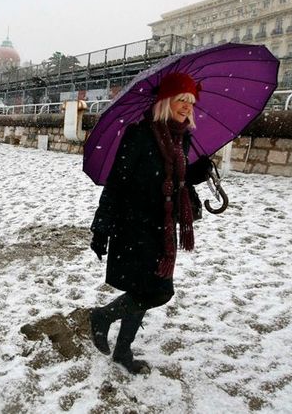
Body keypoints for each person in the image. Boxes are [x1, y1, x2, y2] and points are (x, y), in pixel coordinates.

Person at [88, 72, 211, 375]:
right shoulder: (139, 135)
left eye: (190, 101)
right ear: (166, 101)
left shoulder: (184, 137)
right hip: (134, 226)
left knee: (144, 290)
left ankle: (122, 351)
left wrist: (197, 172)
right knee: (155, 291)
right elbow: (116, 184)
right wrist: (101, 227)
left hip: (162, 228)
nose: (186, 107)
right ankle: (102, 318)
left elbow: (176, 181)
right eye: (181, 100)